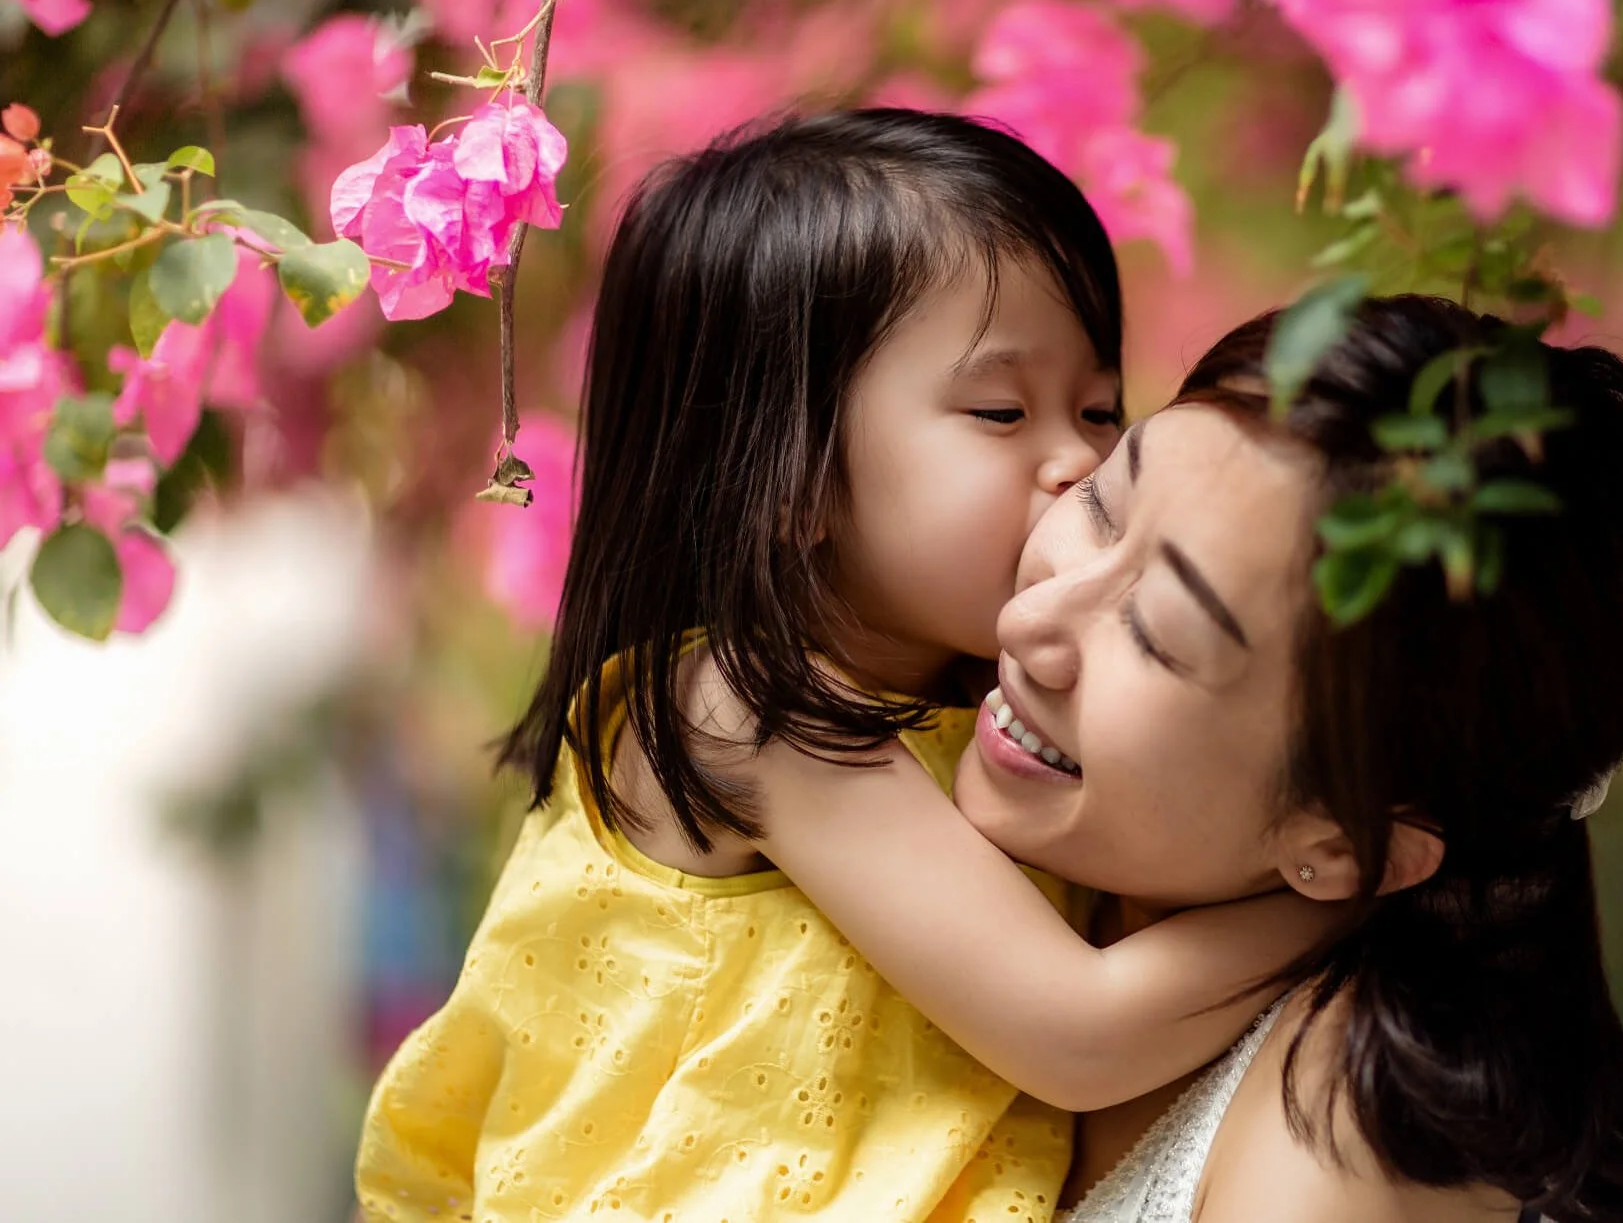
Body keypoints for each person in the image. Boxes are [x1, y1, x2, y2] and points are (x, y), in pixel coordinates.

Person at [354, 110, 1329, 1223]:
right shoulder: (744, 709)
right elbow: (1078, 1030)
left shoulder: (998, 706)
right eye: (1001, 410)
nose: (1079, 461)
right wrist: (1355, 894)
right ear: (787, 481)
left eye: (1099, 408)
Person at [955, 294, 1623, 1223]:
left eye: (1160, 635)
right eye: (1102, 503)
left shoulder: (1338, 1153)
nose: (1028, 620)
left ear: (1345, 844)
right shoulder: (1041, 860)